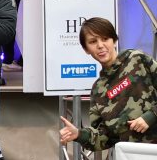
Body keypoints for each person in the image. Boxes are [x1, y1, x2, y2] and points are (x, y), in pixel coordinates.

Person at [59, 18, 157, 150]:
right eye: (93, 42)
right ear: (86, 49)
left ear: (114, 41)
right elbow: (103, 138)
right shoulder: (98, 90)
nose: (100, 45)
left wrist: (151, 116)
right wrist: (78, 134)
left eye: (105, 39)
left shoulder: (137, 59)